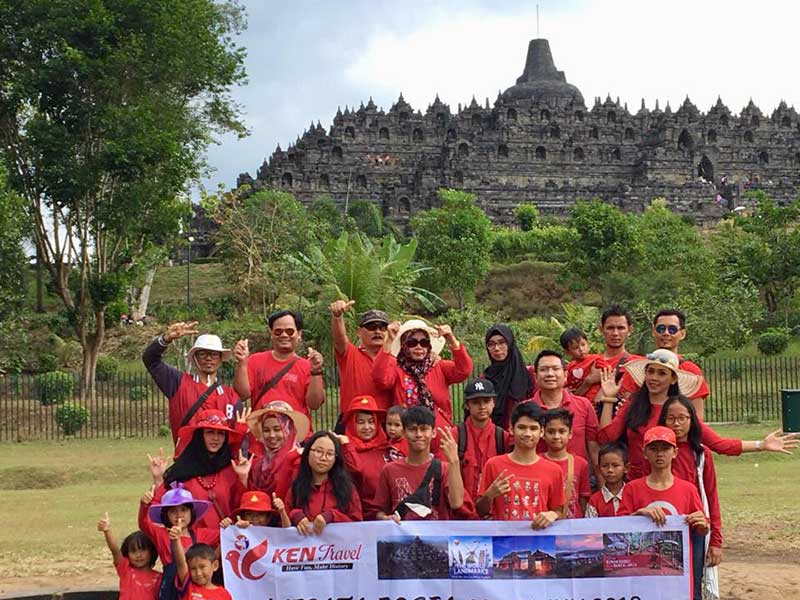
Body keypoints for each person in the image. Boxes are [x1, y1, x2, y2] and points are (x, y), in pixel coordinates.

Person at [598, 349, 800, 479]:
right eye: (650, 371)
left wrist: (761, 445)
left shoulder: (679, 410)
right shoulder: (633, 404)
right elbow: (606, 437)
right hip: (636, 487)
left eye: (661, 373)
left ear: (673, 379)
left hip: (673, 486)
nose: (654, 378)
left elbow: (719, 444)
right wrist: (608, 398)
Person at [617, 426, 709, 594]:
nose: (659, 454)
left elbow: (700, 529)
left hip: (678, 573)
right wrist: (639, 514)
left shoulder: (688, 489)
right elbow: (619, 528)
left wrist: (702, 524)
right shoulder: (632, 489)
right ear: (644, 453)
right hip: (642, 572)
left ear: (675, 452)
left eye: (665, 448)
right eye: (653, 449)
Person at [657, 396, 722, 600]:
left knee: (693, 585)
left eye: (682, 418)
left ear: (691, 420)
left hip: (694, 527)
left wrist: (716, 540)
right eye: (671, 418)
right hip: (661, 526)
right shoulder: (654, 453)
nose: (676, 424)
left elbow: (711, 497)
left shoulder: (701, 454)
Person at [142, 321, 240, 450]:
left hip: (221, 462)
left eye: (214, 354)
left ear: (221, 359)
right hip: (187, 460)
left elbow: (237, 437)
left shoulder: (231, 396)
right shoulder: (178, 383)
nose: (208, 358)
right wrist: (166, 339)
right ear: (194, 358)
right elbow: (151, 360)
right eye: (202, 354)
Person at [150, 409, 248, 530]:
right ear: (199, 435)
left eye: (221, 433)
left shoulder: (232, 468)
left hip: (225, 538)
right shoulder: (182, 471)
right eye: (210, 432)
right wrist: (158, 479)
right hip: (192, 539)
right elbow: (161, 506)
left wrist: (243, 478)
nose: (215, 438)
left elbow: (241, 506)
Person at [374, 406, 474, 521]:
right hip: (402, 532)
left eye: (424, 429)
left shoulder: (444, 469)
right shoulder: (389, 470)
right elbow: (379, 512)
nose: (418, 434)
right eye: (412, 429)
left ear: (433, 432)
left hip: (436, 531)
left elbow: (456, 503)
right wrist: (386, 519)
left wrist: (454, 460)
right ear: (404, 433)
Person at [373, 318, 472, 431]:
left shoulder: (438, 366)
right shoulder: (397, 368)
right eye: (412, 343)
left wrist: (451, 339)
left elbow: (464, 370)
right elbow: (380, 379)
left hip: (439, 434)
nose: (419, 347)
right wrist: (389, 340)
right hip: (409, 436)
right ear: (404, 345)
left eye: (424, 342)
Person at [476, 402, 565, 528]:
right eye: (522, 427)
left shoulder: (554, 470)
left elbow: (559, 511)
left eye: (533, 428)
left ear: (542, 432)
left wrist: (553, 514)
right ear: (511, 429)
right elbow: (480, 511)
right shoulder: (493, 465)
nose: (527, 434)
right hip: (504, 538)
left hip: (540, 538)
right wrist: (490, 495)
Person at [233, 309, 325, 421]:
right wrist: (242, 362)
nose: (284, 335)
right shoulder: (254, 361)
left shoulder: (308, 366)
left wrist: (316, 371)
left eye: (290, 331)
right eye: (278, 331)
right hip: (263, 429)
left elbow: (314, 404)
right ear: (271, 334)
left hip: (297, 430)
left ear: (299, 334)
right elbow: (242, 395)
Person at [620, 309, 710, 419]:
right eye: (661, 329)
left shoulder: (691, 370)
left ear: (682, 333)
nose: (666, 333)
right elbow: (627, 410)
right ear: (653, 331)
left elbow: (697, 417)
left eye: (672, 329)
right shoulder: (641, 367)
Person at [526, 350, 600, 479]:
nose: (550, 374)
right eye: (544, 369)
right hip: (537, 481)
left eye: (555, 369)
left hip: (576, 482)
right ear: (536, 377)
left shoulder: (584, 405)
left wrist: (602, 486)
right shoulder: (525, 409)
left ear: (565, 375)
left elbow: (594, 450)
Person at [138, 483, 219, 600]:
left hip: (196, 585)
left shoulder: (201, 534)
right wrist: (144, 505)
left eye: (184, 510)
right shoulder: (162, 534)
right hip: (170, 588)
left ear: (191, 512)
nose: (179, 515)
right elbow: (144, 523)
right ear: (166, 515)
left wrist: (228, 524)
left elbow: (225, 535)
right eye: (173, 511)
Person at [286, 431, 363, 534]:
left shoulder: (346, 488)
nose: (323, 458)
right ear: (308, 453)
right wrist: (295, 515)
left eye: (329, 454)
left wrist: (332, 516)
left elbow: (358, 526)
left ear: (336, 458)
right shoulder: (296, 487)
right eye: (318, 451)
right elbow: (283, 521)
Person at [340, 395, 399, 520]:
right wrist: (347, 446)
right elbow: (356, 470)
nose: (367, 427)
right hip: (362, 519)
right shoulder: (345, 451)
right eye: (361, 422)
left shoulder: (389, 448)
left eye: (371, 422)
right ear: (351, 424)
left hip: (393, 516)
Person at [330, 300, 392, 419]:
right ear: (359, 332)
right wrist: (337, 317)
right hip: (351, 422)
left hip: (383, 424)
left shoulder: (394, 360)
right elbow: (339, 338)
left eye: (383, 328)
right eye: (371, 327)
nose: (377, 331)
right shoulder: (350, 354)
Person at [452, 379, 512, 501]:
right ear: (467, 405)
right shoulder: (455, 436)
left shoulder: (503, 437)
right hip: (463, 508)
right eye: (476, 402)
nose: (482, 406)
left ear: (493, 403)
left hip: (495, 507)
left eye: (486, 401)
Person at [243, 401, 309, 502]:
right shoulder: (256, 465)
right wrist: (243, 477)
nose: (272, 435)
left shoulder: (299, 461)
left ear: (288, 429)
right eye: (266, 430)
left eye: (277, 429)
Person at [541, 407, 591, 518]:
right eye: (551, 432)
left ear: (570, 433)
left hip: (573, 523)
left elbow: (583, 498)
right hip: (544, 522)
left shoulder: (581, 464)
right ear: (543, 433)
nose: (556, 436)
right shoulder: (537, 461)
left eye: (562, 431)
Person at [96, 513, 161, 599]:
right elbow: (115, 551)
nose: (138, 555)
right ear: (127, 554)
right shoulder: (126, 570)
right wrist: (107, 531)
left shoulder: (160, 578)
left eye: (142, 550)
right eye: (133, 551)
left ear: (152, 551)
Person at [482, 324, 535, 428]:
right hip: (496, 433)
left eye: (502, 342)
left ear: (510, 343)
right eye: (491, 344)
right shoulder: (485, 378)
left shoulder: (529, 374)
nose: (497, 348)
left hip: (525, 431)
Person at [594, 304, 643, 411]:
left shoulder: (639, 364)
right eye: (610, 328)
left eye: (621, 328)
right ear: (601, 329)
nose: (615, 333)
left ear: (630, 330)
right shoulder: (590, 363)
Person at [169, 529, 231, 600]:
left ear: (215, 566)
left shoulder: (224, 594)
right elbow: (180, 563)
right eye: (193, 568)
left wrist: (227, 532)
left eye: (202, 567)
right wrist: (176, 540)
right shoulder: (188, 585)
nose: (198, 573)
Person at [560, 327, 607, 402]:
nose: (581, 349)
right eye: (575, 348)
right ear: (567, 352)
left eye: (583, 344)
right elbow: (568, 385)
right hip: (578, 401)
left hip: (596, 400)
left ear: (588, 343)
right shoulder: (569, 367)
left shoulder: (596, 359)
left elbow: (609, 374)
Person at [585, 443, 628, 518]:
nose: (610, 470)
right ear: (598, 469)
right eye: (605, 466)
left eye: (615, 465)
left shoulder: (633, 495)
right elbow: (590, 524)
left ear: (626, 468)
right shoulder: (594, 500)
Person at [220, 490, 290, 529]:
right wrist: (230, 531)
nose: (254, 518)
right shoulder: (238, 532)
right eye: (249, 514)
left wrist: (282, 511)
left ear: (268, 518)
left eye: (261, 514)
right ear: (242, 517)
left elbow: (287, 532)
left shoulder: (274, 534)